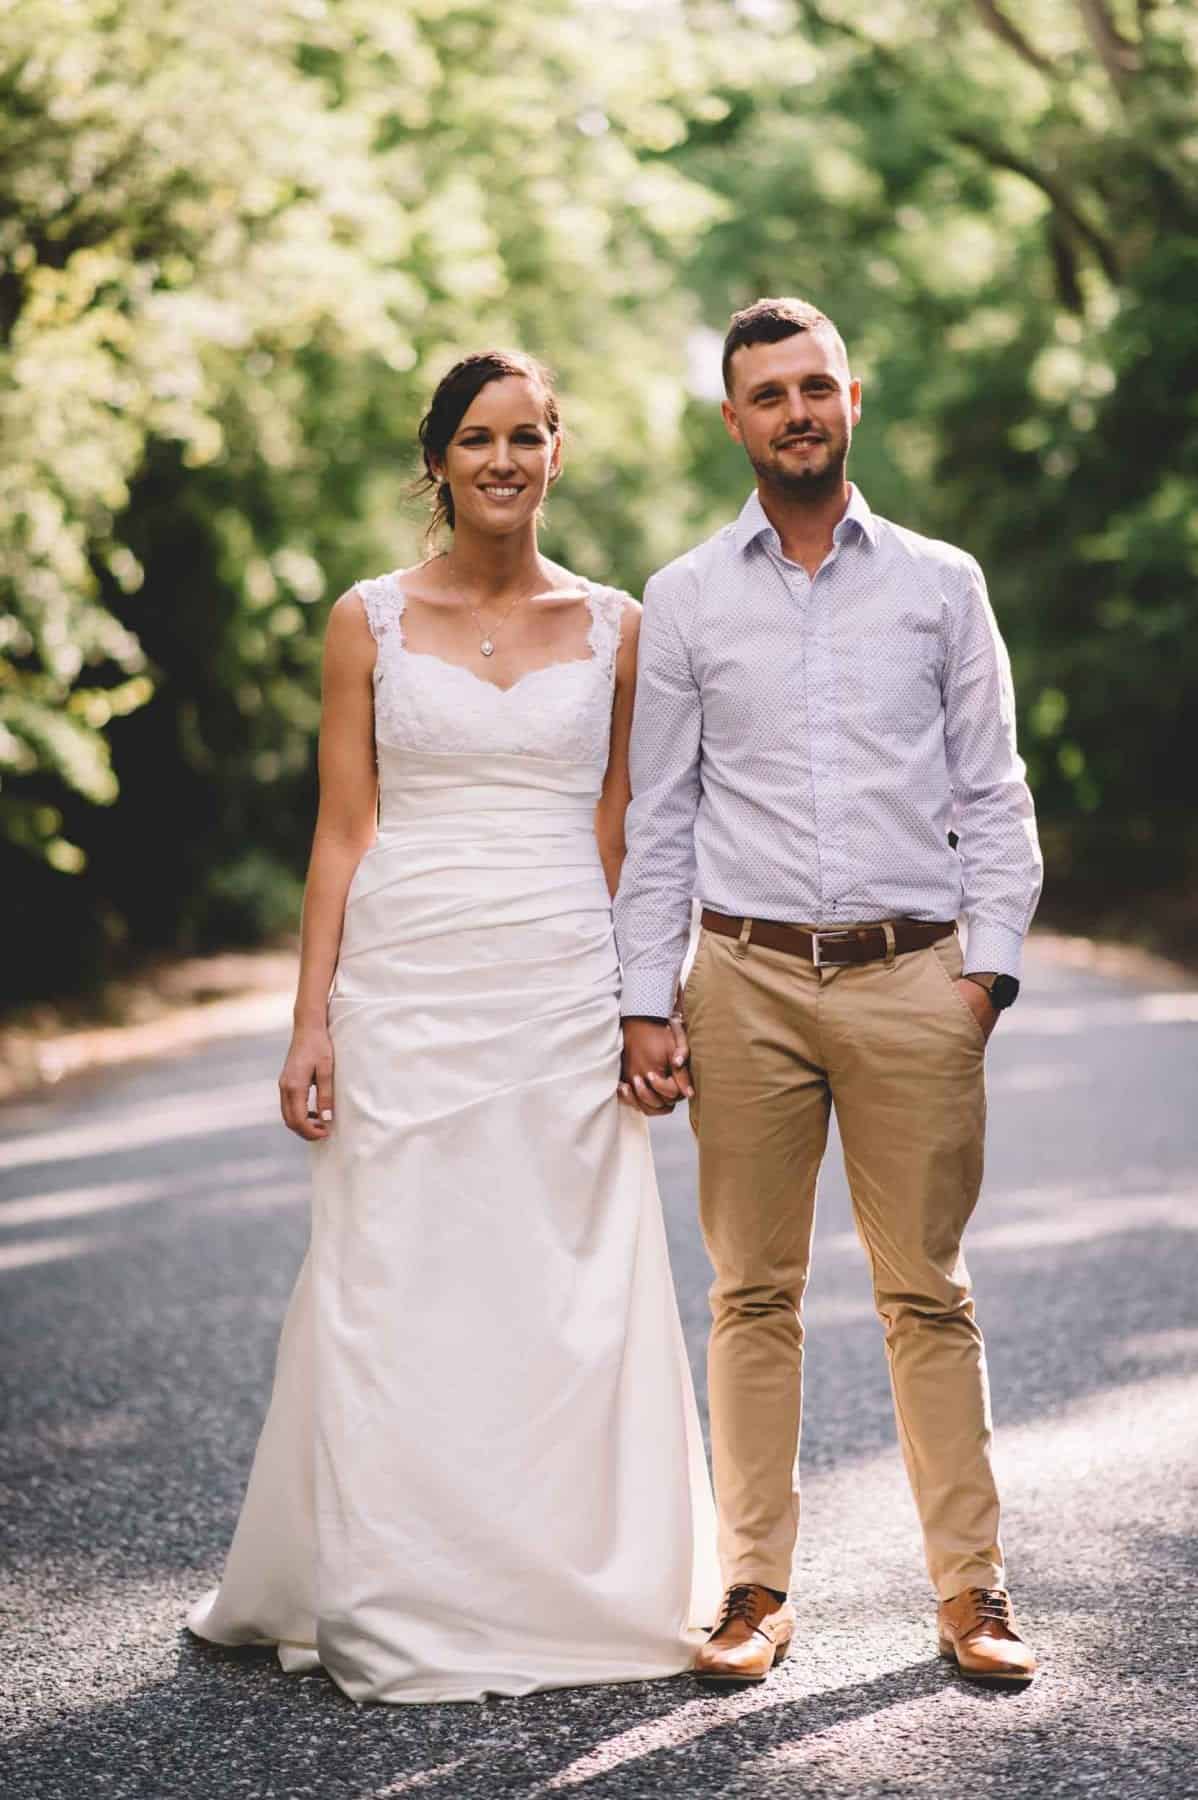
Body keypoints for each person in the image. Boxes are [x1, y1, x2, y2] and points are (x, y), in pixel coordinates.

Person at [188, 350, 719, 1704]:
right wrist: (308, 1022)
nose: (503, 460)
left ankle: (578, 1578)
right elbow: (343, 829)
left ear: (556, 452)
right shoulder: (364, 620)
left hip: (557, 972)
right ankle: (398, 1584)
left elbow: (624, 831)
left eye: (528, 436)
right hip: (407, 976)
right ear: (436, 459)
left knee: (565, 1272)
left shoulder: (616, 627)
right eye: (477, 438)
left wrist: (645, 1001)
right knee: (394, 1267)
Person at [615, 297, 1043, 1687]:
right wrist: (646, 1001)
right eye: (766, 394)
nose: (795, 412)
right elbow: (660, 818)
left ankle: (971, 1592)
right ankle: (750, 1589)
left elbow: (992, 787)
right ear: (732, 420)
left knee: (926, 1293)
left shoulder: (939, 581)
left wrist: (981, 976)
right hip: (738, 983)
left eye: (814, 387)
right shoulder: (683, 598)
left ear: (850, 398)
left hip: (913, 977)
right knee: (750, 1293)